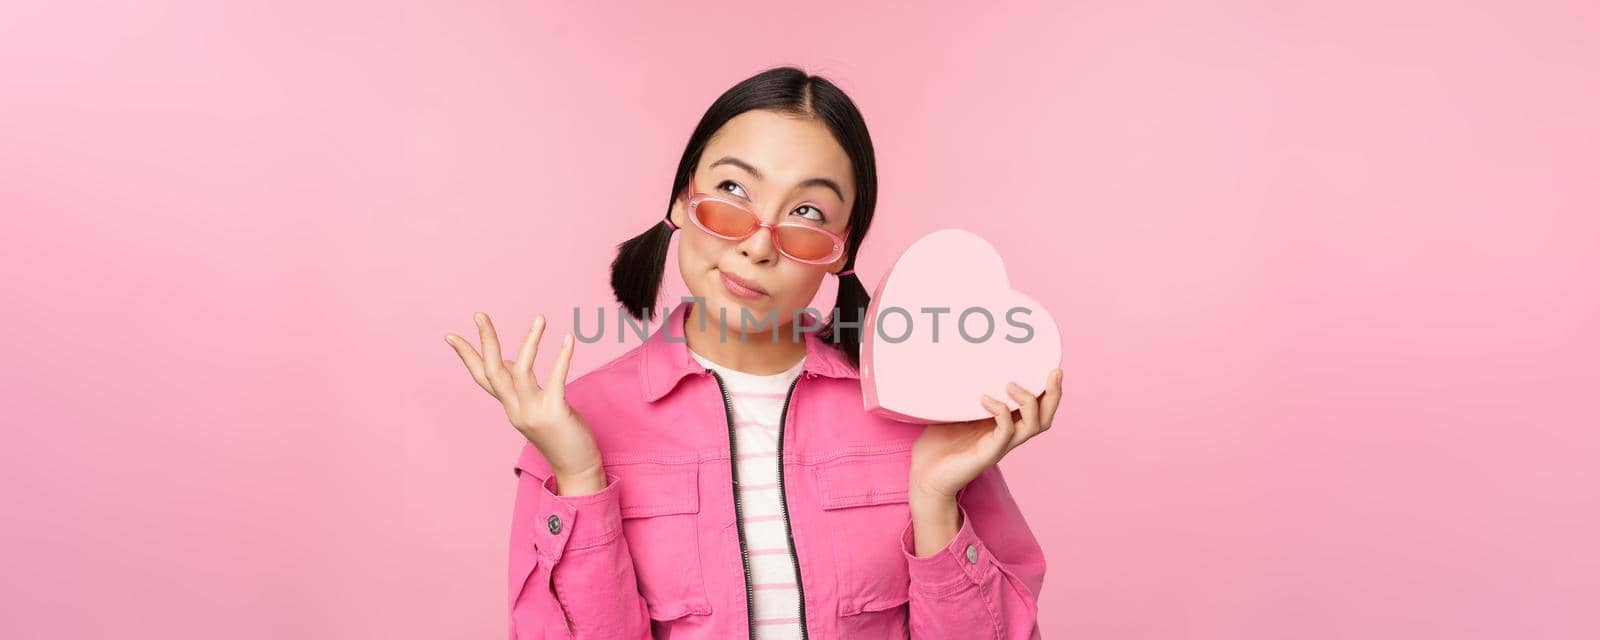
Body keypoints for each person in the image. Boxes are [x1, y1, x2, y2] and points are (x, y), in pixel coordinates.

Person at [446, 66, 1062, 640]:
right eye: (732, 189)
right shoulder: (573, 423)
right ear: (681, 201)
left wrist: (934, 503)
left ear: (843, 249)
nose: (758, 245)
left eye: (806, 211)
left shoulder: (918, 405)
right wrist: (580, 477)